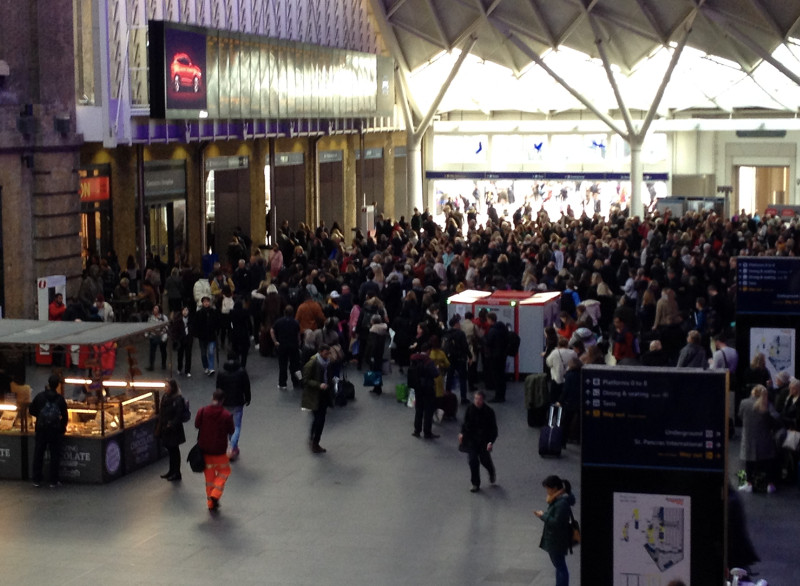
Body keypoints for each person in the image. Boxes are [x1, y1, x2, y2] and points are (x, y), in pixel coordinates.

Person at [195, 389, 234, 512]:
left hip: (205, 451)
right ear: (223, 401)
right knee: (225, 471)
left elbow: (197, 425)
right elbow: (231, 430)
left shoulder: (202, 411)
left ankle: (210, 504)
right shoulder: (226, 415)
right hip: (219, 451)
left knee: (209, 479)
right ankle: (215, 494)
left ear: (212, 398)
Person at [535, 475, 576, 586]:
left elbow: (556, 523)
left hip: (556, 540)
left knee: (560, 567)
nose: (547, 491)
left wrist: (543, 516)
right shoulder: (559, 500)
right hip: (557, 539)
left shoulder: (561, 503)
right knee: (559, 566)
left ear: (554, 488)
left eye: (548, 488)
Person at [738, 385, 780, 493]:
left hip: (748, 438)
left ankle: (745, 483)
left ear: (753, 392)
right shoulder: (767, 404)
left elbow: (740, 416)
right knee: (768, 463)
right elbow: (776, 419)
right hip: (764, 439)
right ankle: (770, 485)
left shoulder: (744, 402)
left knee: (744, 461)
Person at [29, 374, 68, 488]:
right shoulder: (60, 399)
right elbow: (65, 416)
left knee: (38, 453)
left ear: (48, 384)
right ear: (58, 385)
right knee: (54, 455)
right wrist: (62, 428)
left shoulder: (40, 396)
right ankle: (53, 480)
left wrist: (40, 417)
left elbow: (31, 410)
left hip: (41, 429)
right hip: (54, 431)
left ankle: (36, 479)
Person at [459, 391, 498, 492]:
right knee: (473, 461)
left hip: (483, 440)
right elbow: (465, 423)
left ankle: (491, 471)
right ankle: (475, 483)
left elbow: (493, 430)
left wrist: (490, 442)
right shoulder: (470, 409)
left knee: (485, 460)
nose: (477, 401)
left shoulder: (489, 412)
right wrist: (462, 433)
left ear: (483, 400)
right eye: (475, 399)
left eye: (479, 399)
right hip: (472, 440)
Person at [216, 352, 251, 461]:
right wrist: (248, 398)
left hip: (225, 403)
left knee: (229, 426)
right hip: (238, 401)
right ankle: (232, 447)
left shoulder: (221, 373)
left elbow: (218, 388)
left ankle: (233, 446)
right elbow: (246, 386)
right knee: (236, 426)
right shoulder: (242, 372)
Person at [301, 344, 332, 454]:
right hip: (314, 395)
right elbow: (305, 380)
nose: (328, 355)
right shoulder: (312, 363)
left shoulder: (327, 362)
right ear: (320, 352)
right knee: (320, 419)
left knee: (319, 419)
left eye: (328, 353)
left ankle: (312, 439)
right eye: (326, 353)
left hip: (323, 394)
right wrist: (319, 385)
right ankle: (315, 442)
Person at [156, 379, 187, 481]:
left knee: (174, 451)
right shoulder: (165, 397)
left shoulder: (177, 400)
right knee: (170, 450)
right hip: (166, 428)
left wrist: (171, 424)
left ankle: (176, 472)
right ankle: (171, 471)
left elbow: (178, 415)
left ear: (172, 388)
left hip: (174, 430)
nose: (165, 388)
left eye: (167, 387)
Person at [409, 349, 440, 439]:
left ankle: (417, 431)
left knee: (419, 409)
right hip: (428, 388)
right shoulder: (428, 361)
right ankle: (427, 432)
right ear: (428, 351)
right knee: (428, 411)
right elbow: (436, 374)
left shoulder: (414, 359)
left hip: (418, 387)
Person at [271, 305, 302, 390]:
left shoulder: (279, 321)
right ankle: (296, 382)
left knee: (282, 365)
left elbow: (272, 330)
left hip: (282, 346)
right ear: (293, 313)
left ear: (284, 312)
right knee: (295, 365)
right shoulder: (295, 322)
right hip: (293, 346)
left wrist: (275, 341)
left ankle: (282, 383)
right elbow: (298, 334)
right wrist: (299, 342)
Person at [444, 315, 471, 405]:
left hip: (450, 359)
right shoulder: (460, 333)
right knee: (462, 378)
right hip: (460, 358)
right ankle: (463, 397)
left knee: (449, 377)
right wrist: (470, 356)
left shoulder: (447, 333)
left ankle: (447, 394)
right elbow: (465, 346)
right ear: (456, 324)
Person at [484, 313, 509, 403]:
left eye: (487, 319)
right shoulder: (503, 328)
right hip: (503, 355)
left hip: (495, 356)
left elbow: (488, 342)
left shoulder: (493, 330)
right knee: (502, 376)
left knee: (497, 376)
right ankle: (502, 395)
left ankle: (498, 396)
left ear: (490, 319)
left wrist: (483, 338)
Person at [193, 295, 219, 376]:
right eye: (205, 302)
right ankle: (206, 366)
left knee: (211, 352)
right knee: (203, 354)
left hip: (211, 336)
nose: (206, 303)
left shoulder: (213, 312)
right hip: (202, 336)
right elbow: (196, 324)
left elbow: (217, 322)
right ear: (202, 303)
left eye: (207, 301)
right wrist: (197, 334)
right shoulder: (199, 313)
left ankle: (211, 368)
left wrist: (216, 330)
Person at [170, 306, 194, 377]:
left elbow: (193, 329)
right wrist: (175, 339)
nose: (185, 312)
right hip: (180, 340)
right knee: (180, 355)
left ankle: (187, 371)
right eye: (184, 310)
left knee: (188, 356)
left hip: (188, 339)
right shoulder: (178, 320)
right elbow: (174, 330)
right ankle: (179, 368)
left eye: (186, 310)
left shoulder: (191, 320)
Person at [146, 305, 169, 371]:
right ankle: (151, 365)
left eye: (156, 308)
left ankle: (163, 364)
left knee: (163, 351)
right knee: (152, 352)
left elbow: (167, 326)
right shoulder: (150, 318)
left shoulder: (164, 317)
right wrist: (146, 334)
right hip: (153, 336)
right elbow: (148, 326)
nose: (155, 310)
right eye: (154, 308)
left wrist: (164, 333)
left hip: (162, 336)